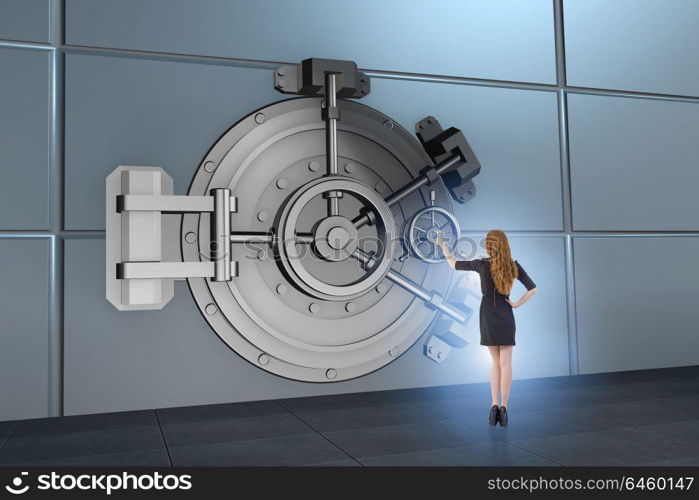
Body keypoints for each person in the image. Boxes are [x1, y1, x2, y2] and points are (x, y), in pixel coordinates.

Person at [437, 229, 537, 427]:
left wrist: (442, 245)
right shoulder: (513, 266)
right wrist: (516, 304)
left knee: (495, 363)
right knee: (506, 363)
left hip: (488, 316)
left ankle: (493, 406)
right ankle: (505, 408)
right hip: (506, 315)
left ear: (488, 245)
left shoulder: (481, 264)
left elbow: (453, 264)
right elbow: (533, 289)